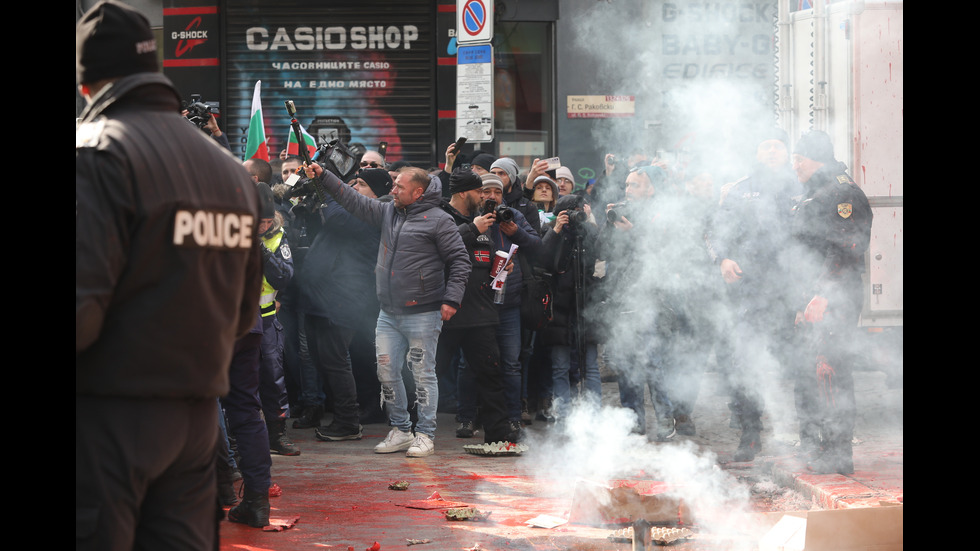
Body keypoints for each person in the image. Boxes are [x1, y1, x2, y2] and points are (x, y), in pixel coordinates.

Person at [76, 1, 263, 547]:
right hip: (197, 423)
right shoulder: (230, 171)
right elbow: (243, 310)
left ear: (87, 83)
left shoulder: (96, 153)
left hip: (107, 417)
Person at [302, 163, 470, 457]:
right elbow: (352, 199)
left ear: (418, 192)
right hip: (388, 312)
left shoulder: (440, 221)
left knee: (422, 374)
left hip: (424, 311)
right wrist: (323, 176)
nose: (392, 190)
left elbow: (460, 261)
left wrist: (451, 300)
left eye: (399, 187)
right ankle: (401, 430)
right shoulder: (389, 211)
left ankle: (426, 435)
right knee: (386, 372)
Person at [705, 128, 802, 460]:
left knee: (800, 363)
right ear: (757, 153)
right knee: (744, 362)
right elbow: (714, 231)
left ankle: (811, 435)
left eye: (778, 146)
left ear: (788, 153)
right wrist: (723, 259)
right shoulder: (740, 190)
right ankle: (750, 434)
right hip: (748, 291)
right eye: (766, 146)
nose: (772, 151)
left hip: (791, 291)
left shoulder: (801, 186)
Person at [789, 129, 872, 475]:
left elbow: (846, 248)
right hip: (814, 297)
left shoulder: (841, 192)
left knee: (831, 371)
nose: (794, 166)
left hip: (835, 297)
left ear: (814, 158)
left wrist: (823, 294)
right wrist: (800, 300)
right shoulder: (816, 191)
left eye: (798, 159)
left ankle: (839, 454)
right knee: (813, 370)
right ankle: (822, 444)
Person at [296, 168, 391, 442]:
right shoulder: (350, 210)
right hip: (319, 297)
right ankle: (342, 417)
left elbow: (336, 216)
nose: (353, 188)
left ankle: (348, 422)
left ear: (376, 192)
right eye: (352, 183)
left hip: (343, 299)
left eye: (360, 184)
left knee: (335, 360)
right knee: (322, 359)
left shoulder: (374, 212)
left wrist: (329, 190)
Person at [436, 168, 516, 443]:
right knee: (429, 375)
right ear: (462, 193)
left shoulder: (484, 220)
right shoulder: (440, 215)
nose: (484, 197)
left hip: (481, 312)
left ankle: (499, 434)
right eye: (478, 192)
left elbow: (482, 258)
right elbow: (437, 250)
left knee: (491, 375)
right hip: (447, 312)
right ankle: (412, 430)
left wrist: (501, 267)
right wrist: (472, 229)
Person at [479, 173, 543, 438]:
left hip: (511, 302)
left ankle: (514, 417)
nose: (492, 197)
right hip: (481, 303)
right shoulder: (475, 218)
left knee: (512, 364)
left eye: (496, 191)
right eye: (487, 191)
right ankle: (469, 418)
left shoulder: (513, 216)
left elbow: (538, 245)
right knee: (475, 364)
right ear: (479, 194)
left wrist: (516, 233)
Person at [539, 193, 603, 422]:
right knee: (560, 366)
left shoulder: (590, 232)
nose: (576, 216)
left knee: (591, 366)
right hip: (559, 308)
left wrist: (591, 222)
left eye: (579, 210)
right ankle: (563, 417)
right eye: (571, 212)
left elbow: (603, 257)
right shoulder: (551, 231)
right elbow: (542, 259)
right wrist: (556, 231)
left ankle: (595, 416)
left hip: (586, 305)